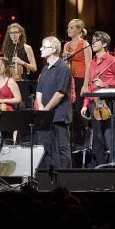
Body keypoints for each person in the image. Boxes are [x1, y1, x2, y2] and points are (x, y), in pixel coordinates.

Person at [81, 31, 115, 165]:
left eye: (96, 41)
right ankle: (101, 167)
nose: (93, 43)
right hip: (95, 104)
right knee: (98, 140)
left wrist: (105, 84)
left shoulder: (113, 61)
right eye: (92, 40)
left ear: (105, 44)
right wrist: (85, 104)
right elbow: (90, 86)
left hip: (109, 103)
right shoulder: (92, 63)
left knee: (111, 138)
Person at [36, 36, 72, 169]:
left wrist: (46, 110)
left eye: (44, 47)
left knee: (62, 149)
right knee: (46, 149)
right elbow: (39, 91)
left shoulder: (63, 67)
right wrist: (40, 107)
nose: (41, 49)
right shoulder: (45, 69)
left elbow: (59, 94)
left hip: (59, 116)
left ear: (54, 50)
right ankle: (48, 180)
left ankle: (66, 181)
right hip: (46, 116)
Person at [63, 18, 92, 105]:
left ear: (79, 29)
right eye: (68, 27)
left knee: (79, 106)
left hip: (81, 79)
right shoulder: (66, 45)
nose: (68, 30)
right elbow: (64, 65)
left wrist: (85, 85)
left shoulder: (85, 44)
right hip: (69, 78)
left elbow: (88, 65)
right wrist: (65, 59)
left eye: (71, 28)